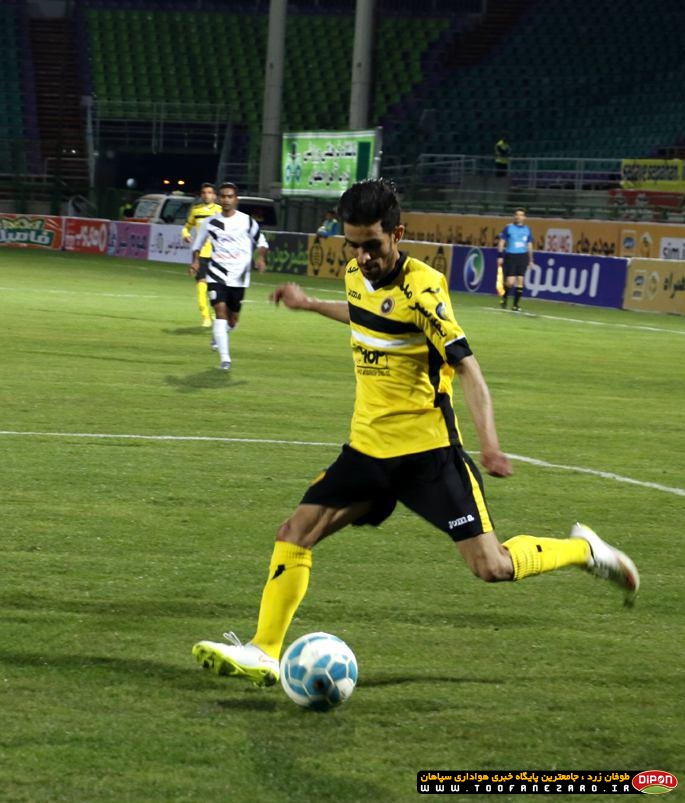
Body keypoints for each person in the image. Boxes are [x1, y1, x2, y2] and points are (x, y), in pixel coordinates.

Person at [192, 179, 639, 687]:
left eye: (372, 245)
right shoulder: (355, 274)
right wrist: (311, 303)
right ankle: (264, 650)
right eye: (353, 245)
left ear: (397, 234)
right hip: (366, 450)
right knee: (295, 533)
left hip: (428, 455)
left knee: (492, 567)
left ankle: (584, 551)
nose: (362, 257)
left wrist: (490, 445)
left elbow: (468, 368)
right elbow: (365, 314)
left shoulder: (424, 289)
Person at [190, 182, 268, 371]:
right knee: (220, 312)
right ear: (219, 199)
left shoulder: (247, 221)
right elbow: (197, 245)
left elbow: (262, 243)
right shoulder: (210, 222)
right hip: (216, 273)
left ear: (236, 199)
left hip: (239, 277)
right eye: (223, 196)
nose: (226, 200)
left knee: (232, 320)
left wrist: (260, 258)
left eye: (230, 196)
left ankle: (219, 335)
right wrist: (195, 261)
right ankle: (225, 359)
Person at [181, 182, 221, 327]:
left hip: (218, 255)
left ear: (214, 196)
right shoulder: (196, 210)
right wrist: (186, 235)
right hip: (201, 254)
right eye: (204, 193)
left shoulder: (220, 211)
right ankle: (206, 317)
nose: (206, 195)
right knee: (201, 286)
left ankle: (216, 312)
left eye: (209, 192)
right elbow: (186, 227)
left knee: (215, 287)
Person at [497, 208, 534, 311]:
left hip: (523, 256)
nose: (519, 217)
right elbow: (501, 242)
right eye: (517, 215)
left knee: (520, 280)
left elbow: (529, 245)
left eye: (521, 215)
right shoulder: (508, 228)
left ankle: (515, 305)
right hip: (511, 256)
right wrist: (500, 256)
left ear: (524, 217)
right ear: (514, 216)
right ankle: (504, 297)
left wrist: (531, 259)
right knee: (510, 282)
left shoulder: (527, 229)